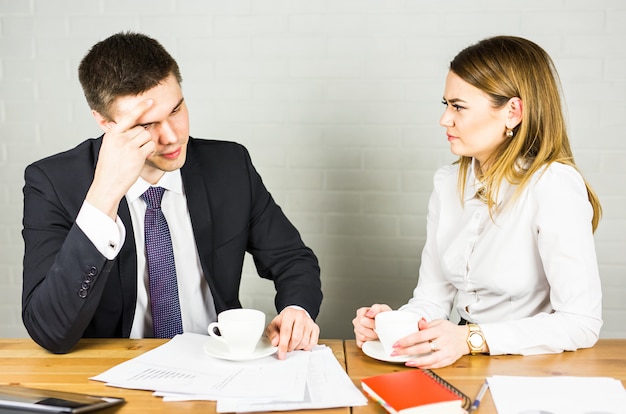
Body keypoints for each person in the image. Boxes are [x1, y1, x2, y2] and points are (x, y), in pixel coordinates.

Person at [22, 32, 323, 357]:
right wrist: (103, 197)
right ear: (105, 123)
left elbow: (292, 259)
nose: (172, 137)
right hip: (112, 372)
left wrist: (297, 309)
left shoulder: (229, 166)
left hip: (216, 363)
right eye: (147, 124)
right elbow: (49, 331)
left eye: (176, 110)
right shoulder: (52, 183)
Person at [352, 35, 603, 369]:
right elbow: (432, 299)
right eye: (446, 105)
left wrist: (473, 339)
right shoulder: (447, 184)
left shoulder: (552, 185)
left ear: (513, 111)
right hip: (464, 361)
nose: (445, 119)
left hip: (532, 369)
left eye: (459, 106)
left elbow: (581, 322)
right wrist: (394, 325)